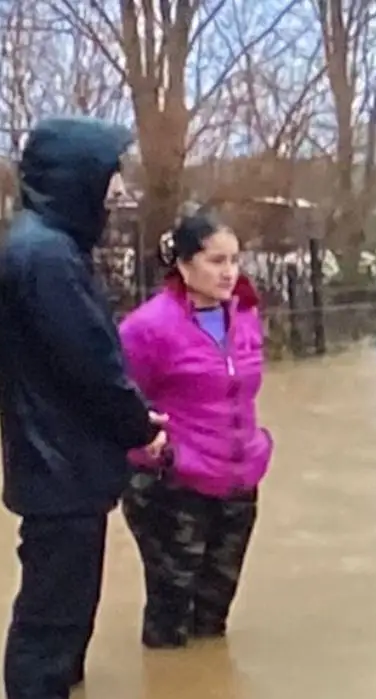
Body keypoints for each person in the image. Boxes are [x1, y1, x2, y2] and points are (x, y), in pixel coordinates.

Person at [0, 116, 167, 699]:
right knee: (54, 606)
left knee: (64, 597)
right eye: (110, 177)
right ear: (78, 178)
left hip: (58, 460)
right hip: (59, 463)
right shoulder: (47, 258)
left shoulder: (44, 248)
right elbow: (90, 365)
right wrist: (142, 426)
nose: (117, 193)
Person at [117, 212, 273, 649]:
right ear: (184, 266)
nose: (229, 272)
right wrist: (158, 453)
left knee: (213, 618)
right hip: (173, 486)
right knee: (170, 619)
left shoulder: (245, 316)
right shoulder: (147, 327)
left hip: (238, 482)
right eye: (216, 261)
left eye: (235, 261)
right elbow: (117, 399)